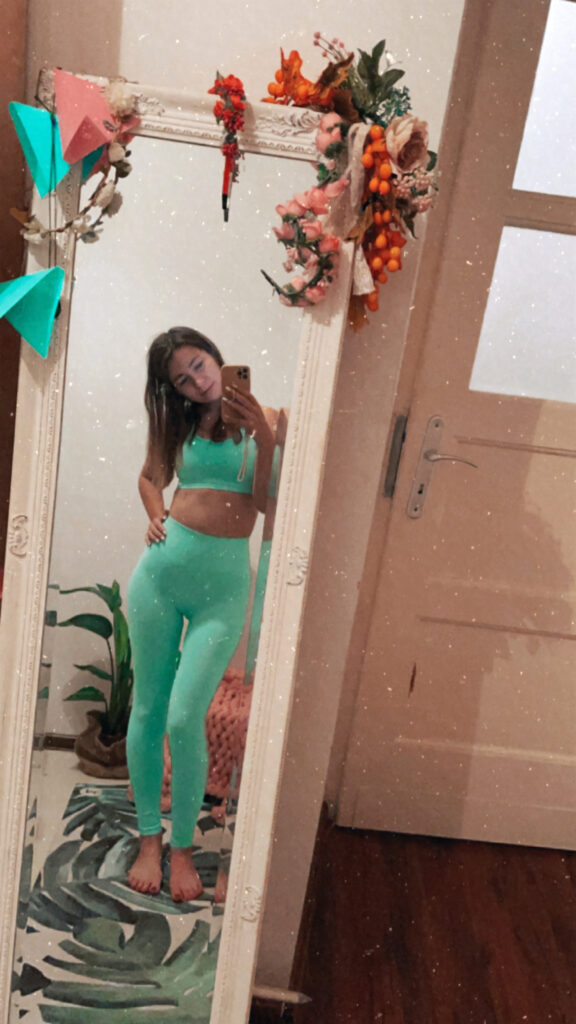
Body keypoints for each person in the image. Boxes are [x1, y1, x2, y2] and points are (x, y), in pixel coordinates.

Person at [126, 325, 276, 902]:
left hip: (223, 589)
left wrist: (265, 436)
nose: (198, 380)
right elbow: (149, 478)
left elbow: (265, 504)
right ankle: (149, 838)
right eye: (183, 379)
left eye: (199, 364)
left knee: (186, 715)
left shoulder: (268, 420)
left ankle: (183, 847)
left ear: (216, 355)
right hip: (161, 576)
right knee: (149, 710)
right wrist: (155, 512)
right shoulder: (178, 424)